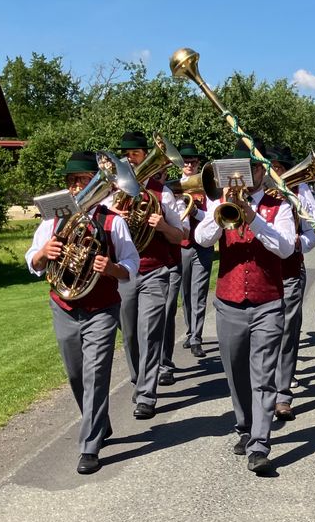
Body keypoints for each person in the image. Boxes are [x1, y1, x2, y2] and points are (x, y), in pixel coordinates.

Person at [25, 150, 140, 474]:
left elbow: (132, 264)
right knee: (76, 375)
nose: (77, 187)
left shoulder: (113, 220)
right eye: (72, 182)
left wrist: (112, 268)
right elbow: (32, 259)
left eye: (83, 181)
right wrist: (43, 254)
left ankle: (89, 446)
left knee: (95, 374)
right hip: (64, 305)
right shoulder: (53, 220)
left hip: (102, 307)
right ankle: (100, 423)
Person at [192, 139, 296, 475]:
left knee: (262, 375)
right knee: (236, 373)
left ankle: (260, 445)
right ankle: (245, 425)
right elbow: (201, 240)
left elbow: (285, 249)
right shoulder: (219, 204)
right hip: (228, 302)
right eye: (235, 170)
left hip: (268, 302)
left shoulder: (277, 206)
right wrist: (221, 210)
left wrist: (255, 219)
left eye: (249, 169)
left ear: (259, 170)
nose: (242, 176)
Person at [112, 131, 189, 418]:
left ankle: (146, 393)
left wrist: (161, 226)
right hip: (123, 273)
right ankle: (138, 379)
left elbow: (181, 235)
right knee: (129, 333)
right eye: (126, 154)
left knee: (149, 333)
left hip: (155, 271)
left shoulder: (162, 193)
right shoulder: (113, 192)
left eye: (135, 153)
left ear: (147, 155)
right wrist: (114, 220)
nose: (129, 158)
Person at [268, 146, 315, 423]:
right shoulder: (257, 191)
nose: (276, 172)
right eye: (272, 166)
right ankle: (263, 392)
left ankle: (282, 395)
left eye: (279, 167)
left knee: (288, 334)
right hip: (260, 276)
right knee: (265, 336)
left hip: (289, 272)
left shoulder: (299, 191)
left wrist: (299, 243)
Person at [177, 144, 213, 359]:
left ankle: (196, 338)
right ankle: (190, 331)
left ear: (198, 164)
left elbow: (211, 218)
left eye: (193, 162)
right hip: (182, 245)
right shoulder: (174, 186)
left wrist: (195, 210)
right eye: (186, 162)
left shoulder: (206, 186)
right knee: (185, 293)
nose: (189, 165)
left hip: (202, 246)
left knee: (198, 292)